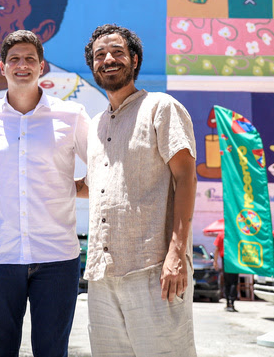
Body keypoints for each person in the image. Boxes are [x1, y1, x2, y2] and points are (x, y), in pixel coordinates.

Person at [0, 29, 90, 357]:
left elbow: (103, 166)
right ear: (2, 67)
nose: (22, 65)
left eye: (30, 59)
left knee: (52, 352)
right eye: (14, 59)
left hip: (57, 257)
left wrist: (71, 187)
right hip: (0, 257)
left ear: (42, 67)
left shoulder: (71, 116)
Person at [82, 24, 198, 357]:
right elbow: (99, 188)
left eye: (117, 52)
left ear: (134, 60)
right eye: (99, 55)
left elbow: (186, 177)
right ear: (92, 66)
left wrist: (176, 254)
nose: (108, 59)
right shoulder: (96, 125)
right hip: (102, 274)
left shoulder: (161, 107)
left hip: (154, 268)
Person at [213, 230, 239, 312]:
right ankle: (232, 302)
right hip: (234, 259)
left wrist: (215, 261)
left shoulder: (221, 234)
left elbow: (217, 249)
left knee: (227, 282)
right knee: (234, 282)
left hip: (226, 259)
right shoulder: (235, 232)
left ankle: (228, 303)